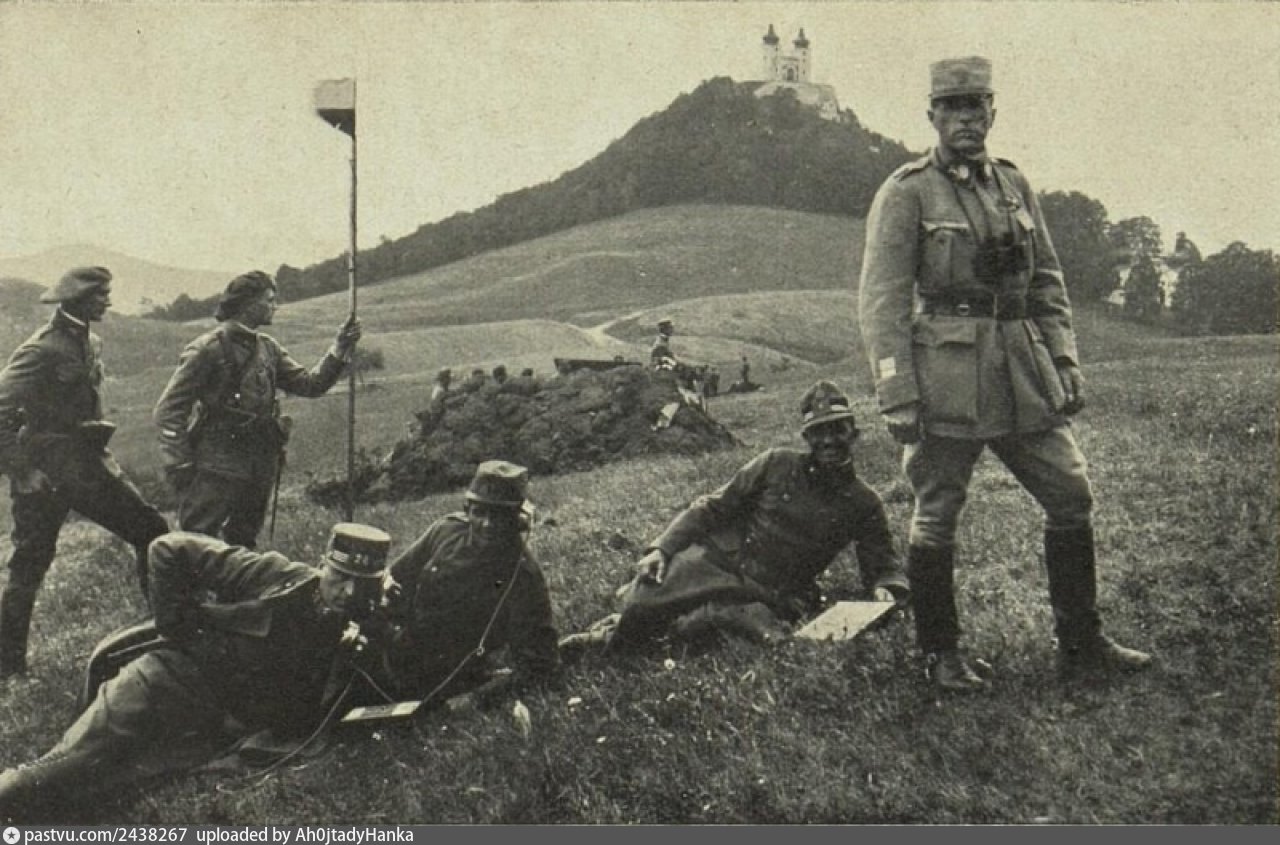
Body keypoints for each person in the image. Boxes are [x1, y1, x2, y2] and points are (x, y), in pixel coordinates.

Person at [858, 56, 1152, 692]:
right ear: (931, 115)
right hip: (946, 377)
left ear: (993, 111)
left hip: (1022, 369)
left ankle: (1081, 642)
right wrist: (897, 392)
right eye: (952, 107)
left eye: (976, 106)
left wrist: (1064, 359)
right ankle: (940, 654)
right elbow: (881, 302)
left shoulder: (1014, 185)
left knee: (1070, 493)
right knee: (937, 511)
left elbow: (1046, 279)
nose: (966, 118)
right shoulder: (907, 192)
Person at [0, 523, 391, 821]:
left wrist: (383, 621)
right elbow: (167, 548)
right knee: (63, 766)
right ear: (323, 565)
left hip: (198, 724)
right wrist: (179, 627)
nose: (348, 593)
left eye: (363, 585)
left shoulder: (358, 621)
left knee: (104, 788)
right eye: (341, 577)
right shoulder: (277, 576)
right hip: (161, 682)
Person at [560, 381, 909, 654]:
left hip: (775, 594)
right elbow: (711, 506)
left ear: (854, 432)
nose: (829, 441)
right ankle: (613, 632)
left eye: (837, 430)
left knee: (711, 632)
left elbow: (882, 564)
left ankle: (667, 625)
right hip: (720, 565)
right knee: (642, 604)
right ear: (807, 437)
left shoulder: (865, 502)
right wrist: (662, 549)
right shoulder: (775, 463)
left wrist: (885, 589)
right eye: (819, 432)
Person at [0, 267, 168, 679]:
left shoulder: (90, 342)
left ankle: (167, 636)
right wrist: (21, 471)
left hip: (87, 464)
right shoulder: (42, 348)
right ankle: (6, 667)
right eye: (101, 295)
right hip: (47, 470)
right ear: (78, 299)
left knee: (152, 531)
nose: (107, 301)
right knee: (29, 565)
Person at [153, 270, 362, 548]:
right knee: (197, 542)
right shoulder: (207, 349)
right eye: (270, 300)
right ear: (249, 304)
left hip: (259, 463)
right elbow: (168, 411)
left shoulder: (268, 348)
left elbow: (310, 385)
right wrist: (180, 464)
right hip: (217, 464)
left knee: (244, 543)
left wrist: (340, 347)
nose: (276, 306)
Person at [376, 461, 559, 709]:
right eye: (480, 512)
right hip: (394, 645)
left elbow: (540, 664)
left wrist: (477, 697)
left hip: (446, 676)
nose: (487, 523)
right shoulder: (445, 531)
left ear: (519, 518)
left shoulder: (523, 574)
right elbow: (395, 575)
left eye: (499, 514)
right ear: (467, 509)